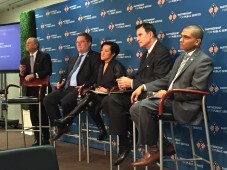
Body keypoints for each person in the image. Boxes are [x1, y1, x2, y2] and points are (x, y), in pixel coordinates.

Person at [130, 25, 213, 167]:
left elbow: (197, 90)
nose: (181, 40)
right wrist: (143, 86)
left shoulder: (204, 61)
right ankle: (163, 146)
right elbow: (166, 80)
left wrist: (169, 92)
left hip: (185, 105)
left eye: (186, 37)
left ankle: (154, 149)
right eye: (181, 36)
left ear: (197, 42)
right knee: (135, 107)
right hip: (171, 99)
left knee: (141, 107)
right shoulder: (180, 58)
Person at [102, 23, 173, 166]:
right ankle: (126, 141)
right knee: (110, 99)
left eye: (140, 35)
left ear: (150, 34)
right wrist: (126, 82)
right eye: (136, 36)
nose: (137, 39)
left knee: (115, 101)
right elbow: (142, 75)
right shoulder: (146, 53)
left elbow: (161, 79)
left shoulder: (161, 52)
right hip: (141, 95)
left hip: (152, 96)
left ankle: (132, 144)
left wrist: (132, 83)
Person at [49, 42, 126, 142]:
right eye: (102, 50)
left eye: (106, 51)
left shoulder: (117, 66)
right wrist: (86, 86)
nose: (102, 53)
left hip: (111, 97)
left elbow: (122, 86)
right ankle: (102, 130)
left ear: (113, 54)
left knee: (89, 97)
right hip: (99, 96)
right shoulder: (101, 66)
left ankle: (67, 119)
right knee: (90, 103)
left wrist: (107, 90)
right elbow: (95, 81)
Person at [43, 33, 101, 141]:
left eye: (82, 42)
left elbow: (96, 77)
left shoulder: (96, 57)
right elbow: (66, 74)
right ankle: (61, 126)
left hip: (80, 89)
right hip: (67, 87)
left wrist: (85, 86)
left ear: (89, 43)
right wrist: (62, 82)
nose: (78, 44)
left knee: (66, 102)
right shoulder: (74, 57)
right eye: (77, 42)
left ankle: (64, 124)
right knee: (48, 99)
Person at [19, 37, 52, 145]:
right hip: (30, 90)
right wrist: (22, 72)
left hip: (42, 89)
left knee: (42, 114)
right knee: (33, 115)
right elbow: (22, 76)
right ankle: (37, 138)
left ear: (36, 45)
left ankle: (46, 138)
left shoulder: (44, 56)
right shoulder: (24, 59)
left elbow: (48, 71)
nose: (27, 44)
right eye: (26, 43)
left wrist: (35, 75)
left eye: (29, 43)